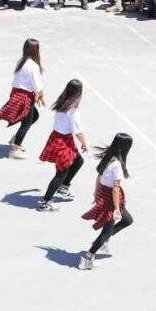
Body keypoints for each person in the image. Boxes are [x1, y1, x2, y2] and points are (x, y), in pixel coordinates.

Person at [79, 133, 134, 270]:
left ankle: (103, 241)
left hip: (104, 193)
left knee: (127, 220)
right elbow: (115, 189)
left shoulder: (108, 157)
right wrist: (116, 208)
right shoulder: (117, 165)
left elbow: (98, 176)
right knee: (106, 231)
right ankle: (88, 258)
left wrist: (96, 193)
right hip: (111, 199)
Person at [37, 79, 88, 212]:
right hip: (63, 142)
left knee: (78, 161)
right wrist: (84, 144)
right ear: (78, 93)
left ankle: (64, 186)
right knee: (61, 173)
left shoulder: (62, 103)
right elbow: (78, 131)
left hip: (58, 137)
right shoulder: (73, 110)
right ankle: (45, 202)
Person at [0, 38, 46, 158]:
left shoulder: (21, 61)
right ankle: (15, 148)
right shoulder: (33, 66)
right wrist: (41, 96)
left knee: (34, 116)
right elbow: (37, 85)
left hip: (16, 93)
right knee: (27, 123)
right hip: (24, 97)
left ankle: (16, 139)